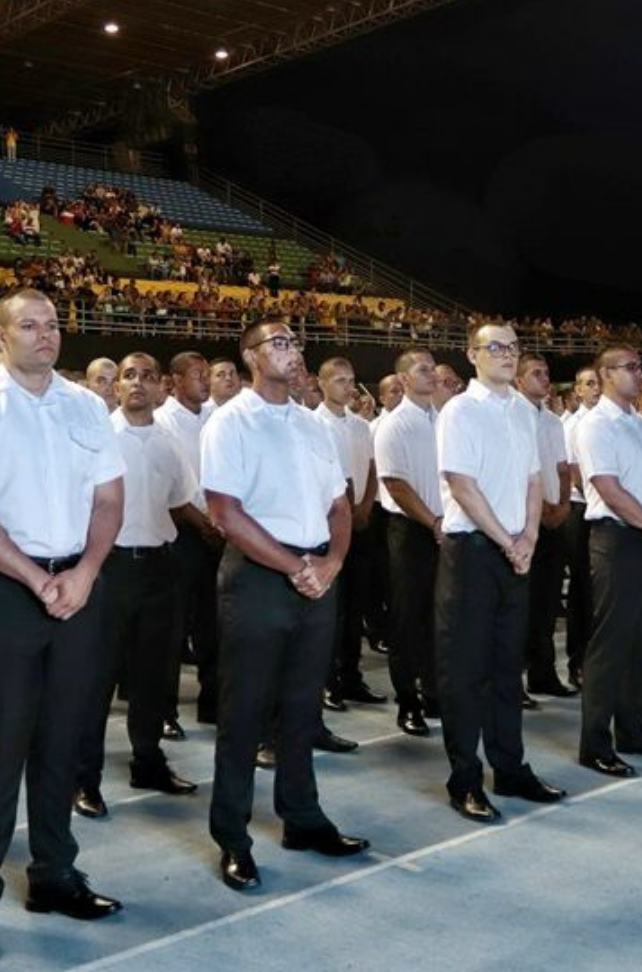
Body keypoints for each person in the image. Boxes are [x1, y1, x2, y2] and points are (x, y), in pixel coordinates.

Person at [0, 288, 126, 962]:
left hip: (76, 586)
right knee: (2, 745)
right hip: (3, 591)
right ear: (2, 332)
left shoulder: (84, 405)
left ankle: (54, 875)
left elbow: (108, 497)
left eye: (52, 325)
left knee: (62, 742)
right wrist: (34, 576)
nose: (45, 335)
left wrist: (87, 571)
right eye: (29, 325)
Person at [200, 319, 368, 892]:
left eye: (295, 342)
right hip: (259, 577)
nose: (292, 351)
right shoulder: (231, 422)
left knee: (302, 708)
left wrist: (332, 563)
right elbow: (224, 511)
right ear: (250, 356)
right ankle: (233, 836)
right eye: (279, 343)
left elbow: (339, 504)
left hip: (317, 574)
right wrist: (293, 566)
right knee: (244, 713)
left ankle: (302, 817)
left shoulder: (312, 425)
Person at [434, 324, 566, 821]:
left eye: (513, 348)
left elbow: (535, 479)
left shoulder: (521, 410)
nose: (507, 355)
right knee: (466, 670)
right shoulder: (460, 411)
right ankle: (464, 778)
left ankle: (510, 768)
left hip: (517, 548)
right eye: (496, 348)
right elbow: (461, 484)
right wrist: (508, 539)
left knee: (508, 668)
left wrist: (529, 535)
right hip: (473, 549)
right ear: (472, 355)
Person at [73, 352, 201, 819]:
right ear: (116, 386)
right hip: (110, 569)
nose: (138, 383)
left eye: (149, 375)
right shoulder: (97, 438)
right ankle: (83, 776)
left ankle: (148, 761)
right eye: (129, 376)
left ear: (161, 385)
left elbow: (178, 500)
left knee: (154, 676)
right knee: (97, 679)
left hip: (160, 568)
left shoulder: (170, 443)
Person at [575, 346, 642, 778]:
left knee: (641, 642)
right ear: (604, 374)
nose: (640, 374)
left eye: (641, 366)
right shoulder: (595, 425)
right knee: (611, 643)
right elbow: (607, 485)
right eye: (630, 367)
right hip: (618, 539)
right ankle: (595, 742)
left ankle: (633, 730)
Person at [373, 348, 443, 737]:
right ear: (402, 379)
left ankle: (434, 691)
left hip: (444, 529)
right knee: (407, 619)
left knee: (439, 618)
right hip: (411, 531)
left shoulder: (443, 419)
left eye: (433, 368)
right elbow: (396, 484)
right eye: (423, 369)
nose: (432, 374)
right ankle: (408, 702)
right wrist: (432, 521)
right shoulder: (394, 424)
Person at [154, 351, 223, 731]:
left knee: (214, 625)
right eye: (197, 373)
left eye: (206, 373)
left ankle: (212, 700)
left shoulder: (217, 418)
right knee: (173, 626)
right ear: (176, 380)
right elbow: (172, 488)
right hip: (181, 530)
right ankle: (164, 711)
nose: (204, 379)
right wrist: (204, 524)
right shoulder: (163, 421)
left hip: (219, 531)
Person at [313, 357, 386, 709]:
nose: (347, 386)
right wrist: (345, 511)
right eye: (339, 380)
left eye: (351, 379)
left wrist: (366, 505)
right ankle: (326, 680)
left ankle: (351, 676)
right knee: (332, 609)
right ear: (322, 384)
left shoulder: (360, 426)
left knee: (356, 605)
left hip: (361, 520)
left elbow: (372, 470)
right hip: (329, 523)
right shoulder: (314, 424)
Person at [514, 352, 576, 698]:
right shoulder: (512, 416)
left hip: (555, 520)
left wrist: (564, 503)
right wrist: (541, 509)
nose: (545, 378)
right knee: (520, 605)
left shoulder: (553, 420)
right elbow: (519, 472)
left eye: (547, 372)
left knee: (547, 602)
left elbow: (563, 468)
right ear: (519, 381)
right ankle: (514, 678)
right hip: (526, 522)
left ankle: (543, 672)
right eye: (536, 373)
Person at [560, 366, 601, 686]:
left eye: (599, 382)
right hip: (582, 509)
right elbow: (575, 474)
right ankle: (579, 661)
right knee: (582, 590)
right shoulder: (573, 425)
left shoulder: (613, 420)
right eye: (589, 384)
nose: (596, 388)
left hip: (604, 511)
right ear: (578, 391)